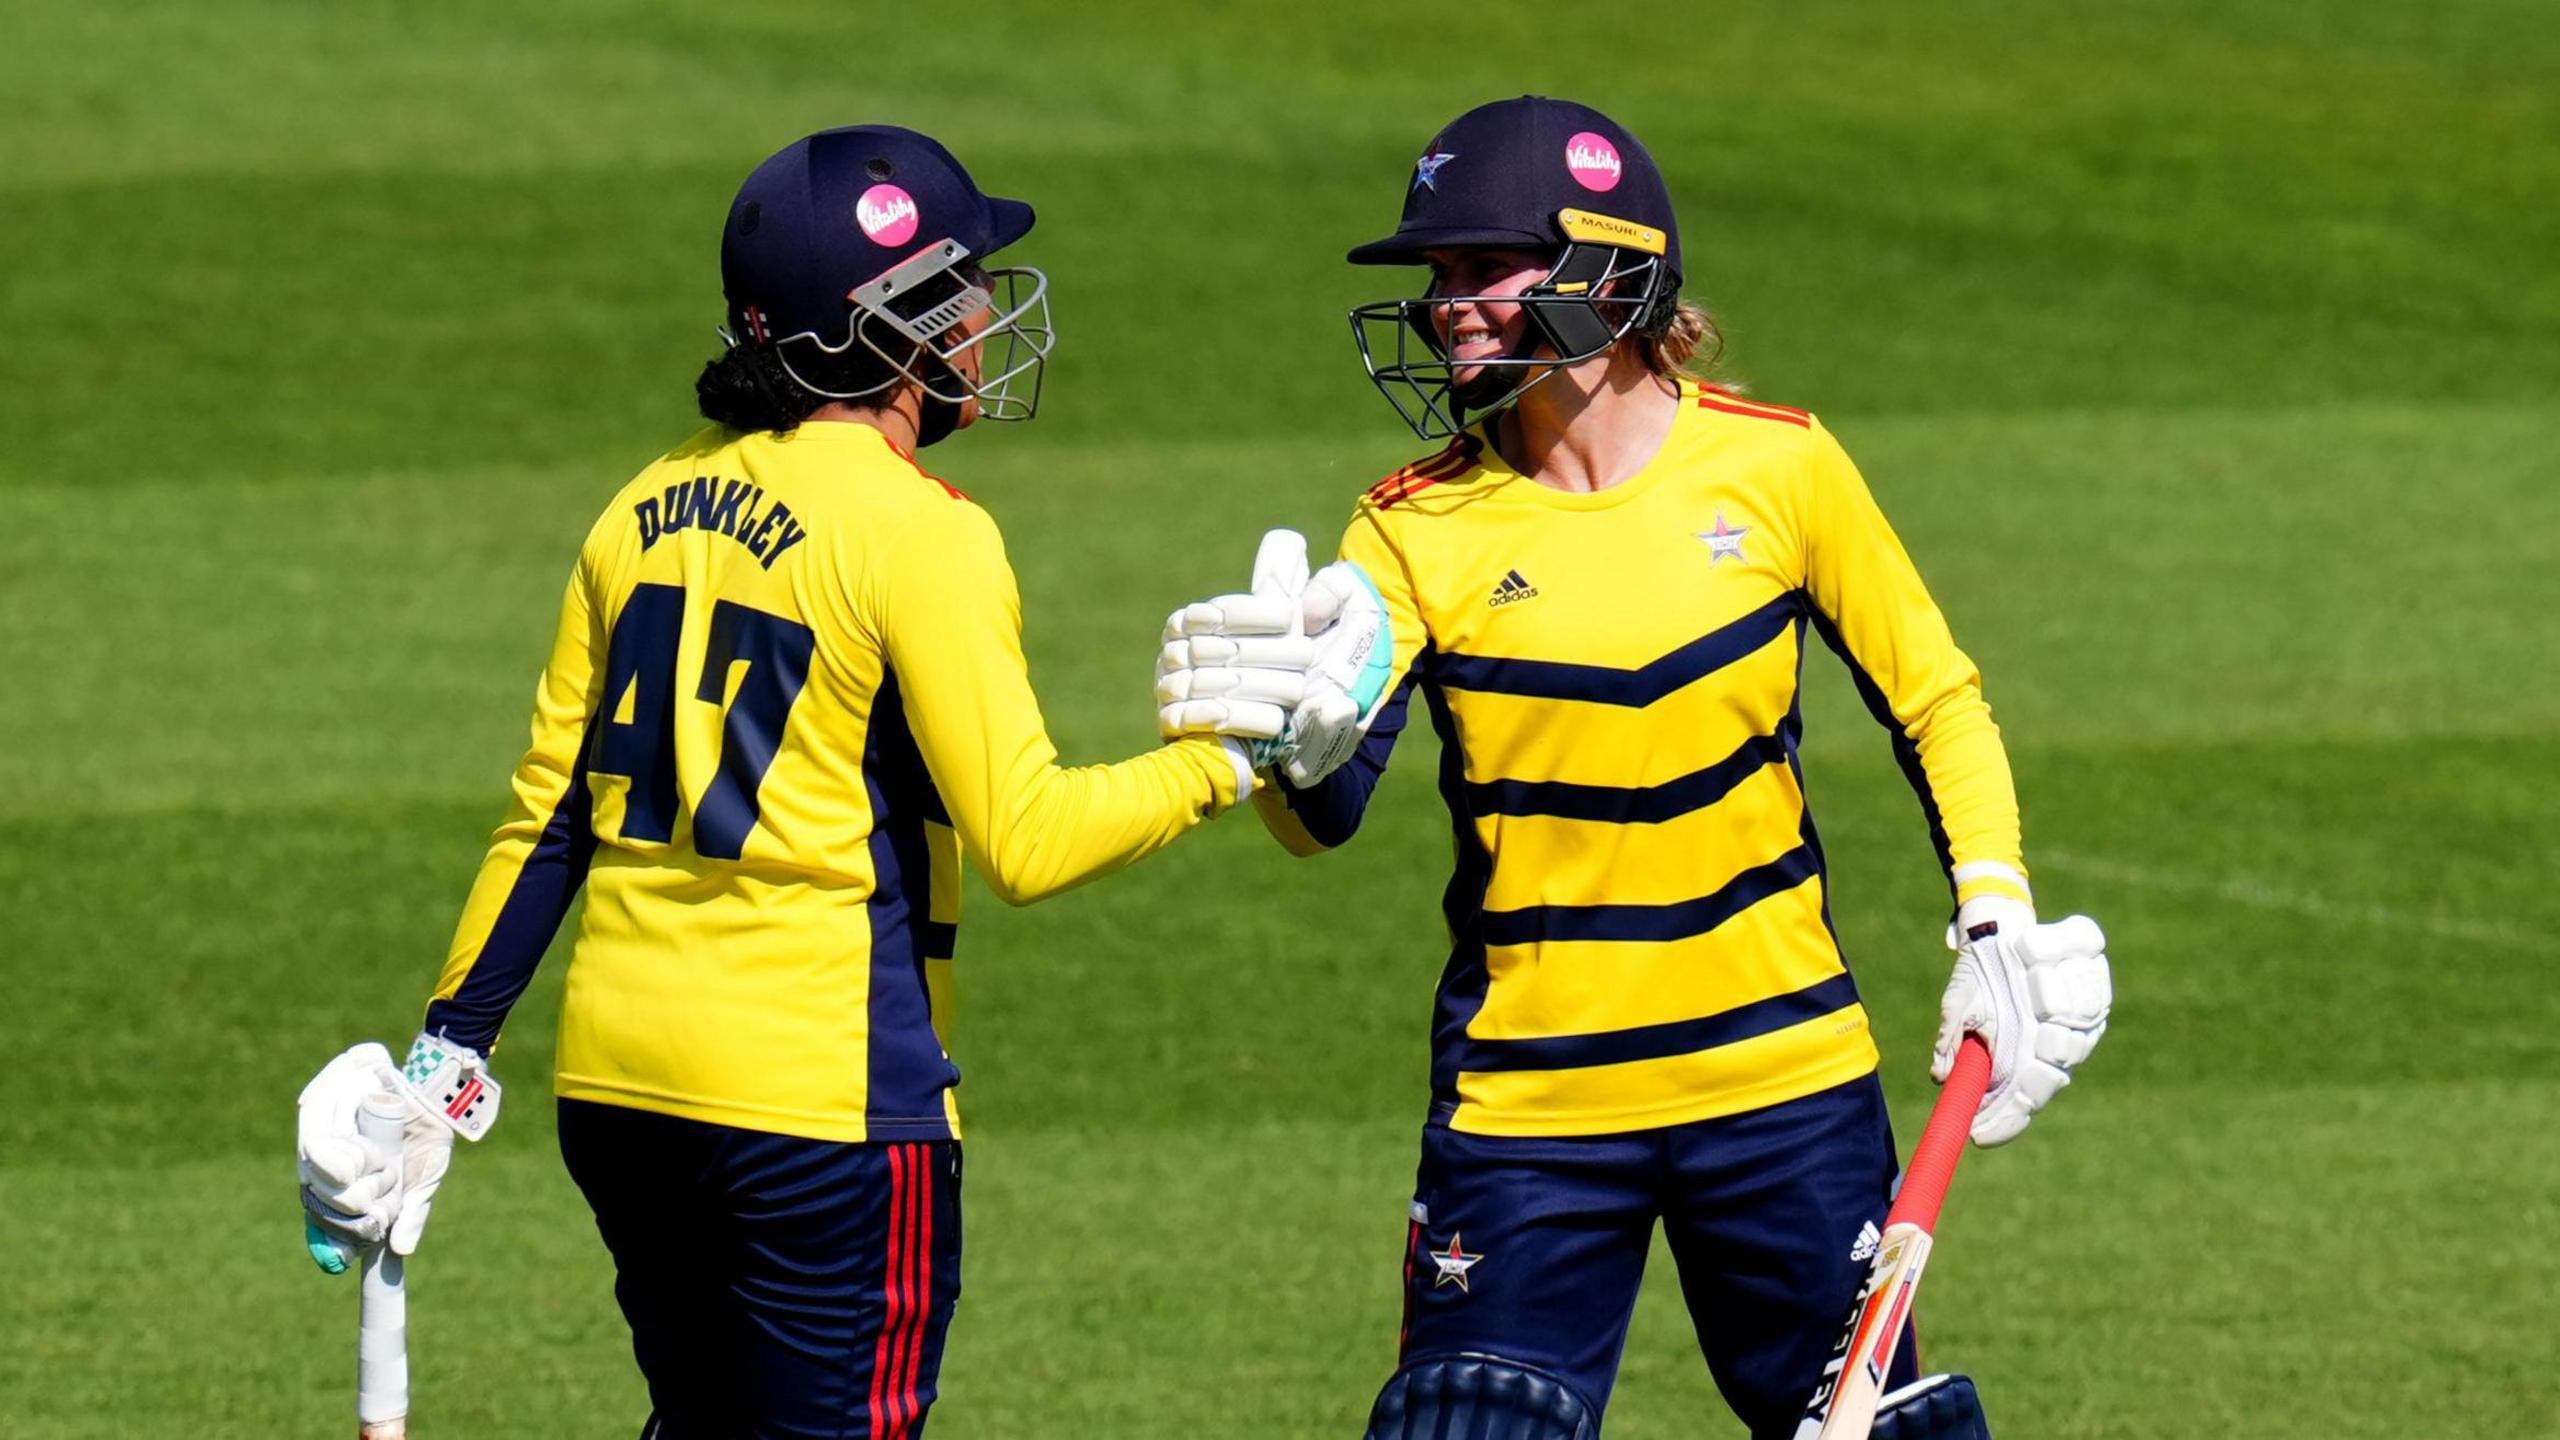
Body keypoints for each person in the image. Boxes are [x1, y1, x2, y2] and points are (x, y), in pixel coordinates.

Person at [292, 124, 1356, 1440]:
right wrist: (1230, 762)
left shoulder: (641, 506)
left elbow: (551, 816)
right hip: (823, 1114)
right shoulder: (922, 534)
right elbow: (1026, 838)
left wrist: (441, 1064)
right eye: (962, 285)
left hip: (622, 1098)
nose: (982, 315)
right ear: (895, 321)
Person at [1221, 97, 2115, 1439]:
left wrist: (1992, 911)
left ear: (1608, 271)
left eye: (1481, 270)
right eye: (1437, 279)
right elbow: (1328, 813)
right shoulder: (1408, 529)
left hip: (1785, 1090)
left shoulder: (1780, 471)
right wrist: (1297, 748)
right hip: (1528, 1110)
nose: (1446, 307)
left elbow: (1937, 698)